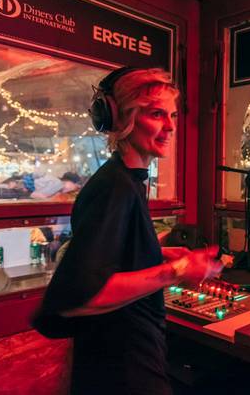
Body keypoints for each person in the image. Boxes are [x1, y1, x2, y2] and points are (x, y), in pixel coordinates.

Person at [32, 67, 222, 395]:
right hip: (121, 371)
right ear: (119, 118)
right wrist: (176, 270)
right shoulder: (115, 187)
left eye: (173, 115)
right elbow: (83, 295)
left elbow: (105, 256)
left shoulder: (126, 180)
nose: (171, 126)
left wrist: (153, 251)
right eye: (156, 114)